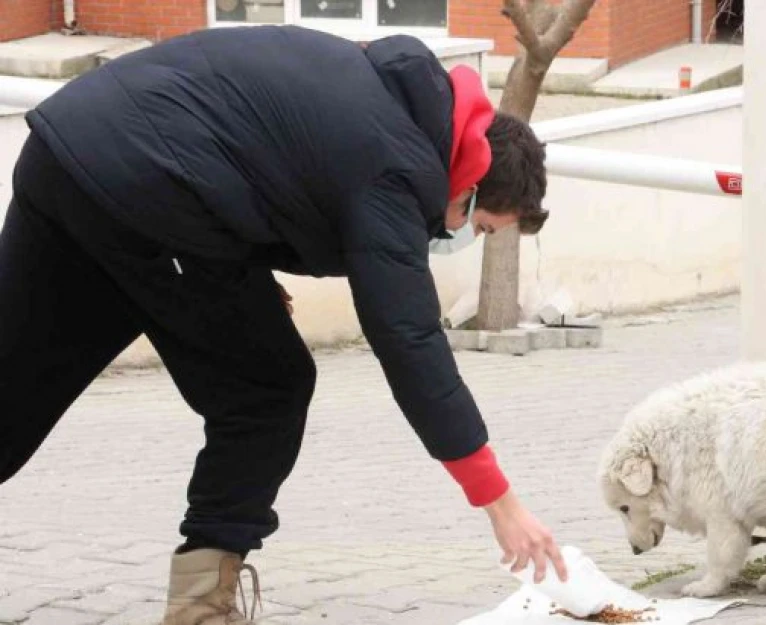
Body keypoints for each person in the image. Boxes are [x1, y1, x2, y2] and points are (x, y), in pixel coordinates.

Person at [0, 24, 566, 624]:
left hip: (65, 154)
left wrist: (247, 263)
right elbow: (409, 340)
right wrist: (499, 501)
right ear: (470, 183)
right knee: (268, 389)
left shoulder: (386, 90)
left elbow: (254, 148)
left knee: (11, 384)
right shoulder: (400, 166)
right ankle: (200, 608)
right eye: (477, 226)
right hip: (144, 201)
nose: (458, 237)